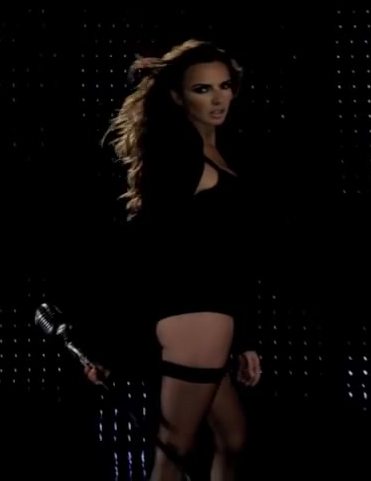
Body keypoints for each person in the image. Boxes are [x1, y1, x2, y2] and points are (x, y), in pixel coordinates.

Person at [87, 39, 264, 481]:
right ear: (178, 97)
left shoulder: (216, 153)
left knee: (233, 438)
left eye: (224, 86)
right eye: (202, 89)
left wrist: (243, 339)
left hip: (211, 316)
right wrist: (106, 345)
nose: (218, 98)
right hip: (194, 318)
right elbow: (142, 250)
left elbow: (231, 257)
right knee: (175, 453)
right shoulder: (182, 159)